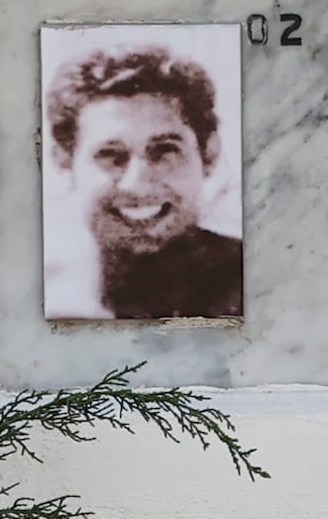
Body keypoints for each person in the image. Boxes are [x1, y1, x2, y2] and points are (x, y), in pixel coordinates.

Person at [51, 40, 245, 320]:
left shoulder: (267, 285)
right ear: (64, 161)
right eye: (111, 155)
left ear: (209, 155)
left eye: (165, 151)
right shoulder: (37, 299)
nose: (137, 185)